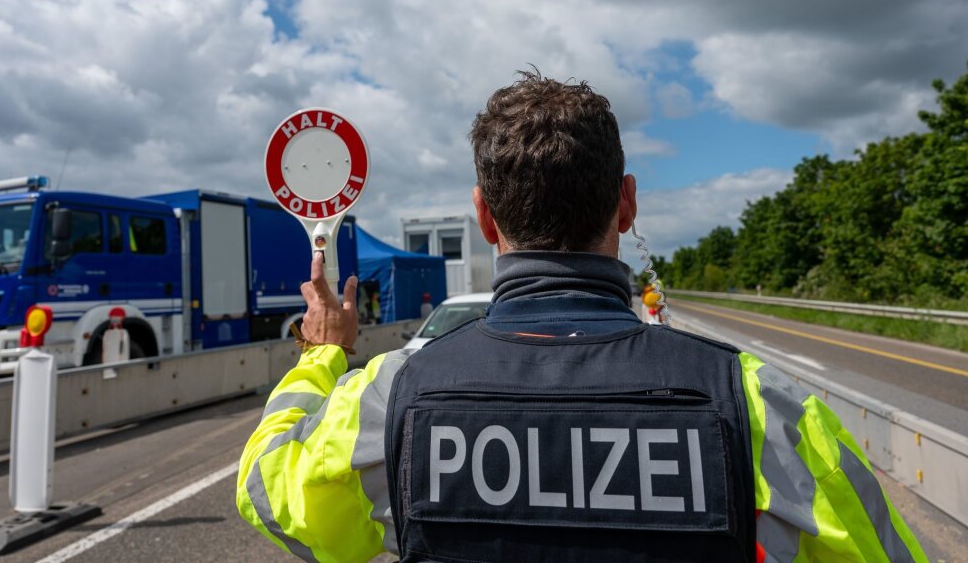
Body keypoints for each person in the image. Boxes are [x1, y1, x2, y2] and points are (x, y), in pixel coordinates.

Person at [236, 72, 927, 562]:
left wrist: (320, 354)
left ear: (483, 215)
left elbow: (270, 492)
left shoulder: (396, 399)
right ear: (626, 205)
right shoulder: (759, 407)